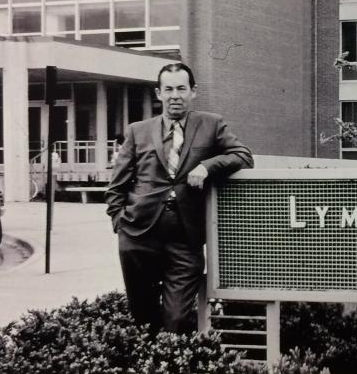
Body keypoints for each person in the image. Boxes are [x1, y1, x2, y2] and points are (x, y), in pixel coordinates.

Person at [104, 62, 253, 333]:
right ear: (158, 93)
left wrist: (207, 166)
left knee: (177, 319)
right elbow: (117, 186)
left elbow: (243, 156)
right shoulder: (137, 131)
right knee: (143, 319)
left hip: (186, 239)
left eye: (181, 88)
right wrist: (120, 224)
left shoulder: (212, 124)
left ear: (193, 92)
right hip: (139, 237)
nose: (175, 95)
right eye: (169, 89)